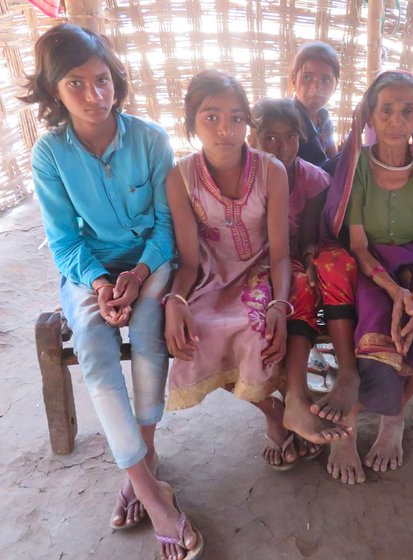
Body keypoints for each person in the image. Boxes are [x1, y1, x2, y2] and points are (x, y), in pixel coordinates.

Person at [22, 23, 202, 560]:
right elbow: (63, 240)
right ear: (54, 91)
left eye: (102, 81)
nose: (94, 96)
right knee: (96, 351)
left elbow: (166, 228)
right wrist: (101, 283)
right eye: (76, 84)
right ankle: (151, 492)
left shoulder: (149, 139)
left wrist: (139, 275)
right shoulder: (50, 154)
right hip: (89, 270)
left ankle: (142, 467)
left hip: (150, 262)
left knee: (148, 333)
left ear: (116, 82)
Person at [321, 71, 413, 484]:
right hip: (373, 270)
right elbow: (359, 247)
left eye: (407, 110)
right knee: (378, 340)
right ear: (370, 115)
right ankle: (345, 429)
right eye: (386, 110)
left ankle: (394, 416)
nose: (396, 120)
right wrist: (395, 290)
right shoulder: (357, 167)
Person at [163, 71, 297, 475]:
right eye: (211, 117)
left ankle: (290, 409)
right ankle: (275, 411)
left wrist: (279, 303)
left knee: (260, 331)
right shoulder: (180, 177)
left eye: (237, 118)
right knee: (196, 336)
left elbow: (280, 254)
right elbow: (188, 261)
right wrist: (176, 300)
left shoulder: (272, 171)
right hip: (210, 275)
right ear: (192, 121)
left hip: (259, 271)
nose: (226, 129)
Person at [250, 98, 356, 450]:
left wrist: (310, 258)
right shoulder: (245, 177)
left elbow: (310, 236)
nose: (282, 147)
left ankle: (346, 371)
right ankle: (294, 398)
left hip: (297, 251)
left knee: (329, 267)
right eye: (271, 137)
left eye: (291, 136)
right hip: (258, 261)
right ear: (253, 137)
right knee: (295, 285)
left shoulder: (311, 179)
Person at [291, 41, 340, 167]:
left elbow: (332, 160)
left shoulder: (324, 120)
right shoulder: (287, 120)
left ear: (335, 85)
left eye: (325, 79)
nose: (316, 87)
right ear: (294, 79)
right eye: (307, 77)